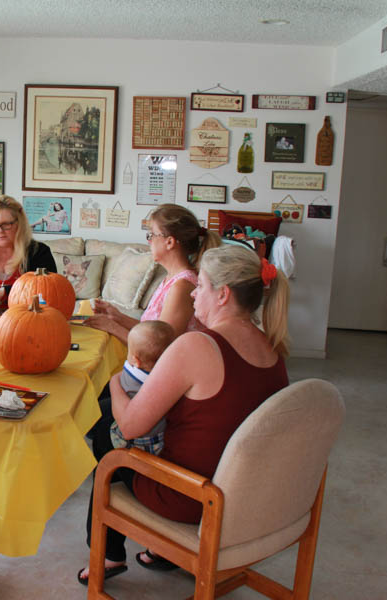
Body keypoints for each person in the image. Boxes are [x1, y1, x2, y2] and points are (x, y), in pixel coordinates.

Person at [78, 245, 290, 585]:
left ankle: (108, 554)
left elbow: (131, 426)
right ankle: (158, 551)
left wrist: (116, 382)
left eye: (201, 286)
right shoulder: (274, 348)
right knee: (113, 420)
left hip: (192, 497)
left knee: (108, 428)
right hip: (247, 498)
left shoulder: (197, 346)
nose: (193, 294)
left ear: (222, 295)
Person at [85, 204, 221, 342]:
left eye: (151, 235)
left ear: (169, 242)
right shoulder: (171, 278)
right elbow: (151, 332)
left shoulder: (183, 286)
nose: (149, 241)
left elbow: (159, 347)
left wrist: (112, 327)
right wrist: (117, 317)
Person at [108, 320, 176, 456]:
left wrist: (113, 381)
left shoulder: (132, 376)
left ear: (136, 361)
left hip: (134, 441)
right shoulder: (170, 377)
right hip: (158, 438)